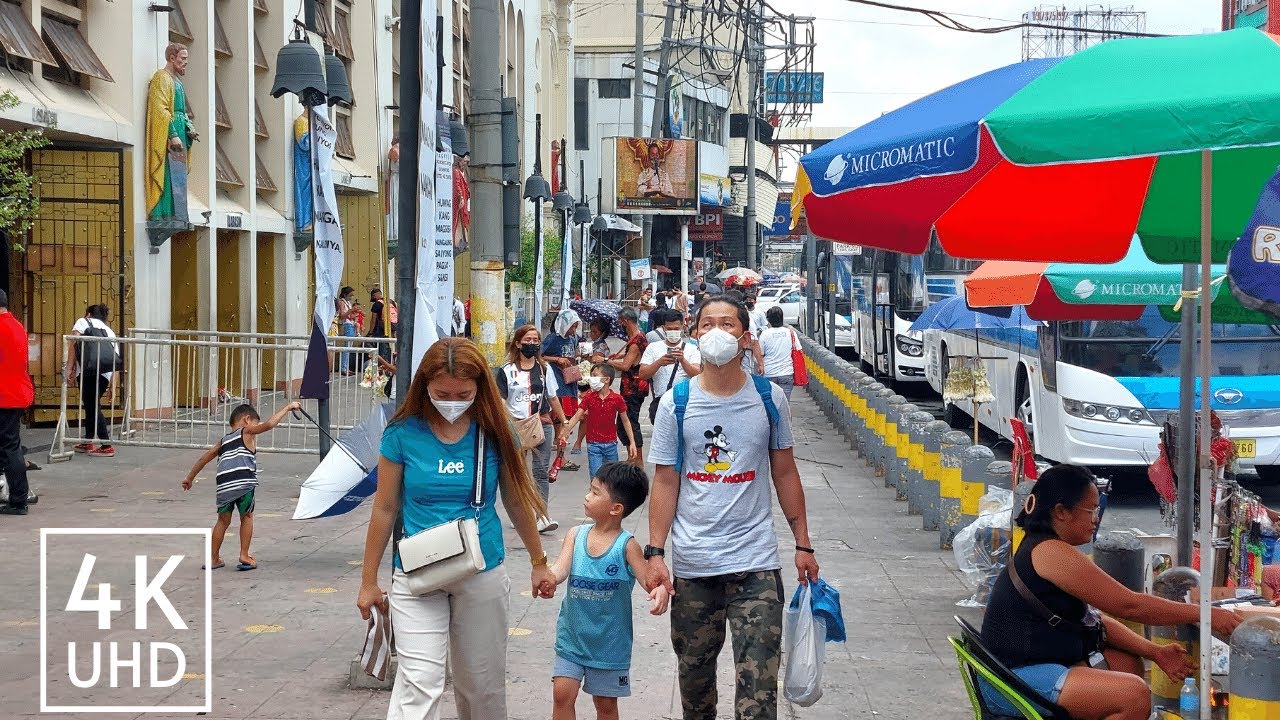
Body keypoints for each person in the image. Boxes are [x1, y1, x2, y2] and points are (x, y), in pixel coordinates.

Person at [356, 337, 556, 719]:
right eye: (442, 392)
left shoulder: (496, 432)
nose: (452, 400)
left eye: (463, 392)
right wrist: (368, 581)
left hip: (482, 569)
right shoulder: (401, 434)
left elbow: (516, 500)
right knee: (419, 681)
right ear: (424, 387)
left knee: (481, 687)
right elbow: (384, 507)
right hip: (416, 574)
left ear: (480, 387)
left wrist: (538, 560)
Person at [645, 294, 818, 719]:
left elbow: (785, 473)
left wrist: (803, 543)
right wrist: (655, 553)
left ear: (745, 337)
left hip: (755, 563)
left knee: (759, 694)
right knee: (696, 690)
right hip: (694, 567)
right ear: (694, 334)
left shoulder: (769, 399)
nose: (717, 332)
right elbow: (665, 481)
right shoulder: (676, 403)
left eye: (728, 324)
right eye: (707, 324)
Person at [979, 464, 1244, 720]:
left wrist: (1155, 652)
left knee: (1126, 664)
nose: (1096, 519)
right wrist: (1204, 614)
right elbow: (1130, 606)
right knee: (1134, 696)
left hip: (1034, 667)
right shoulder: (1049, 552)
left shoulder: (1050, 548)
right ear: (1061, 512)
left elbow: (1095, 621)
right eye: (1091, 510)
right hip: (1012, 679)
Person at [546, 462, 669, 720]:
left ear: (616, 509)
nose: (587, 496)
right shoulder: (575, 535)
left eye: (595, 492)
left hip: (609, 645)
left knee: (605, 705)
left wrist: (659, 591)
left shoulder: (627, 546)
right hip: (572, 637)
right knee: (562, 694)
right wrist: (546, 577)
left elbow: (649, 579)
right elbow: (559, 569)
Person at [182, 400, 302, 570]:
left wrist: (190, 478)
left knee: (222, 521)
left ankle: (213, 558)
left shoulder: (223, 441)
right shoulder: (246, 432)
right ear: (247, 420)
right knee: (246, 517)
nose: (255, 429)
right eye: (255, 423)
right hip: (244, 484)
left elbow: (205, 457)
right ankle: (244, 554)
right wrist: (288, 408)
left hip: (224, 487)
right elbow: (269, 424)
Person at [496, 325, 569, 532]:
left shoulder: (544, 369)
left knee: (540, 471)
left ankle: (542, 515)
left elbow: (552, 397)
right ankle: (519, 513)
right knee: (517, 472)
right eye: (527, 340)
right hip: (516, 426)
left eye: (535, 340)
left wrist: (563, 423)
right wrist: (508, 422)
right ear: (518, 343)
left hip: (541, 424)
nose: (532, 344)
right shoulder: (506, 371)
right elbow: (501, 400)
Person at [563, 365, 638, 479]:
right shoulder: (589, 398)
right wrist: (565, 430)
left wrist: (632, 442)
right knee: (596, 477)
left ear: (607, 379)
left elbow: (626, 421)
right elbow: (577, 415)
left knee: (612, 478)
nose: (592, 379)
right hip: (593, 444)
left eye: (595, 376)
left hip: (611, 444)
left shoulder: (617, 399)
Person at [69, 304, 119, 458]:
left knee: (92, 406)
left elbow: (73, 343)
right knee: (91, 405)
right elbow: (115, 362)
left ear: (89, 314)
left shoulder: (83, 321)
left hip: (88, 371)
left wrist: (69, 368)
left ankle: (106, 444)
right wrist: (113, 387)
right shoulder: (110, 331)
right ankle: (88, 440)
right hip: (104, 374)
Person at [0, 289, 33, 516]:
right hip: (17, 392)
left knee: (9, 447)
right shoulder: (17, 326)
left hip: (4, 394)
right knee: (10, 444)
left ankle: (19, 498)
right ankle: (18, 496)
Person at [639, 310, 702, 424]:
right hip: (661, 402)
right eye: (669, 329)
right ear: (663, 328)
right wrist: (659, 363)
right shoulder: (653, 347)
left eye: (676, 329)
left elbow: (698, 375)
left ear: (683, 327)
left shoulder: (691, 349)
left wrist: (683, 360)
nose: (673, 332)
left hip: (685, 403)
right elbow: (642, 374)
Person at [605, 308, 648, 467]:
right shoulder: (636, 337)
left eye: (621, 322)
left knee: (630, 422)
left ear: (626, 321)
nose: (619, 325)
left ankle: (638, 459)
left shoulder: (636, 341)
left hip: (634, 387)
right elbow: (631, 357)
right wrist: (619, 356)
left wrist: (608, 361)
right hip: (631, 387)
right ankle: (632, 456)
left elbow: (626, 365)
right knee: (624, 423)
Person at [542, 309, 583, 472]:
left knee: (567, 418)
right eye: (571, 326)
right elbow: (540, 355)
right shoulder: (553, 339)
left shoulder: (573, 338)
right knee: (562, 419)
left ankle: (560, 451)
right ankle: (561, 455)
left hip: (570, 381)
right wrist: (557, 359)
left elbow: (575, 353)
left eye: (575, 327)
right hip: (558, 383)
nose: (573, 330)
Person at [758, 306, 798, 398]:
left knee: (771, 403)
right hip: (786, 373)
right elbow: (797, 349)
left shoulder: (765, 334)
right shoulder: (790, 333)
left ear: (768, 320)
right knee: (784, 403)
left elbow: (761, 353)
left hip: (769, 372)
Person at [337, 287, 359, 376]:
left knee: (349, 347)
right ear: (345, 294)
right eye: (350, 295)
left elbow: (349, 316)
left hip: (351, 324)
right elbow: (342, 316)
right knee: (347, 347)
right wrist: (350, 311)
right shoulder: (342, 302)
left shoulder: (348, 303)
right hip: (347, 325)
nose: (352, 297)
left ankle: (346, 367)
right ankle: (343, 367)